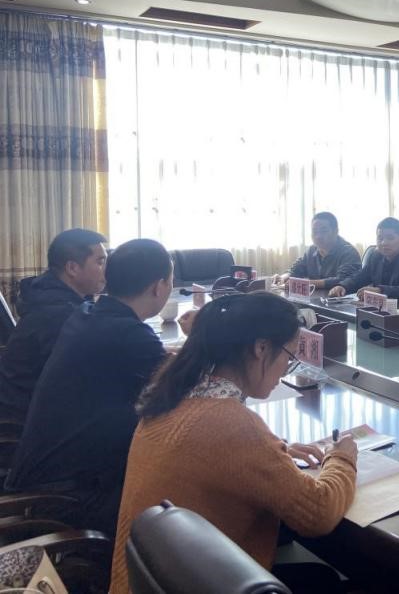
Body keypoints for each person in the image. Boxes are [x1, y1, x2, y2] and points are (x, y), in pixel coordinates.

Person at [108, 291, 358, 594]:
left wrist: (274, 451)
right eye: (289, 357)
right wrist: (342, 458)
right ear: (261, 348)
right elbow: (318, 513)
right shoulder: (233, 424)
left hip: (143, 582)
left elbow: (213, 452)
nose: (286, 369)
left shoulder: (174, 392)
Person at [4, 238, 172, 535]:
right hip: (65, 499)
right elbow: (189, 385)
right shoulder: (127, 333)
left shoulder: (88, 314)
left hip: (41, 476)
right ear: (159, 287)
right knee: (182, 491)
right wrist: (203, 337)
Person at [0, 228, 107, 421]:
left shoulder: (53, 298)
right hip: (23, 425)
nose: (106, 269)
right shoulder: (58, 315)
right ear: (72, 268)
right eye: (100, 262)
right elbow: (80, 381)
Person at [328, 217, 399, 301]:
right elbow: (359, 277)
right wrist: (343, 286)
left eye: (390, 238)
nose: (384, 243)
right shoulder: (376, 256)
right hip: (382, 309)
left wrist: (380, 291)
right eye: (380, 238)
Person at [281, 212, 360, 291]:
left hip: (339, 297)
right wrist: (284, 277)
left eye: (324, 231)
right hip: (315, 297)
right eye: (314, 231)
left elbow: (344, 280)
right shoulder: (311, 250)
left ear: (335, 231)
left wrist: (307, 283)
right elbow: (297, 269)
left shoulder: (349, 252)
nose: (318, 236)